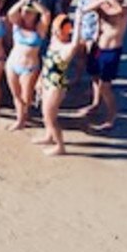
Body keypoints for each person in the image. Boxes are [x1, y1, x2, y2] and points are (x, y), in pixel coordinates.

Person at [79, 0, 127, 130]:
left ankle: (111, 116)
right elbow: (85, 9)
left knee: (105, 86)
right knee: (95, 78)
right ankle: (95, 104)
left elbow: (119, 11)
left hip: (112, 50)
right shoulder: (102, 6)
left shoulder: (126, 7)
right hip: (98, 47)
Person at [34, 15, 81, 156]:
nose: (54, 31)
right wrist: (39, 80)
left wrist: (79, 19)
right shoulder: (54, 42)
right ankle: (49, 136)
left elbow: (75, 42)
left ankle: (60, 146)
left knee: (50, 117)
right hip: (47, 81)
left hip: (56, 86)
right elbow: (46, 63)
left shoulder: (67, 49)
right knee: (45, 112)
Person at [5, 0, 49, 131]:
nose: (26, 15)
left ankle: (23, 117)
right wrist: (22, 1)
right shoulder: (17, 25)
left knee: (26, 97)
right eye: (24, 12)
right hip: (12, 64)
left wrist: (32, 1)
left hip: (29, 67)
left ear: (35, 15)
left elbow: (46, 13)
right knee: (16, 95)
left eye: (30, 13)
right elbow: (10, 13)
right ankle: (20, 119)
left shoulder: (39, 30)